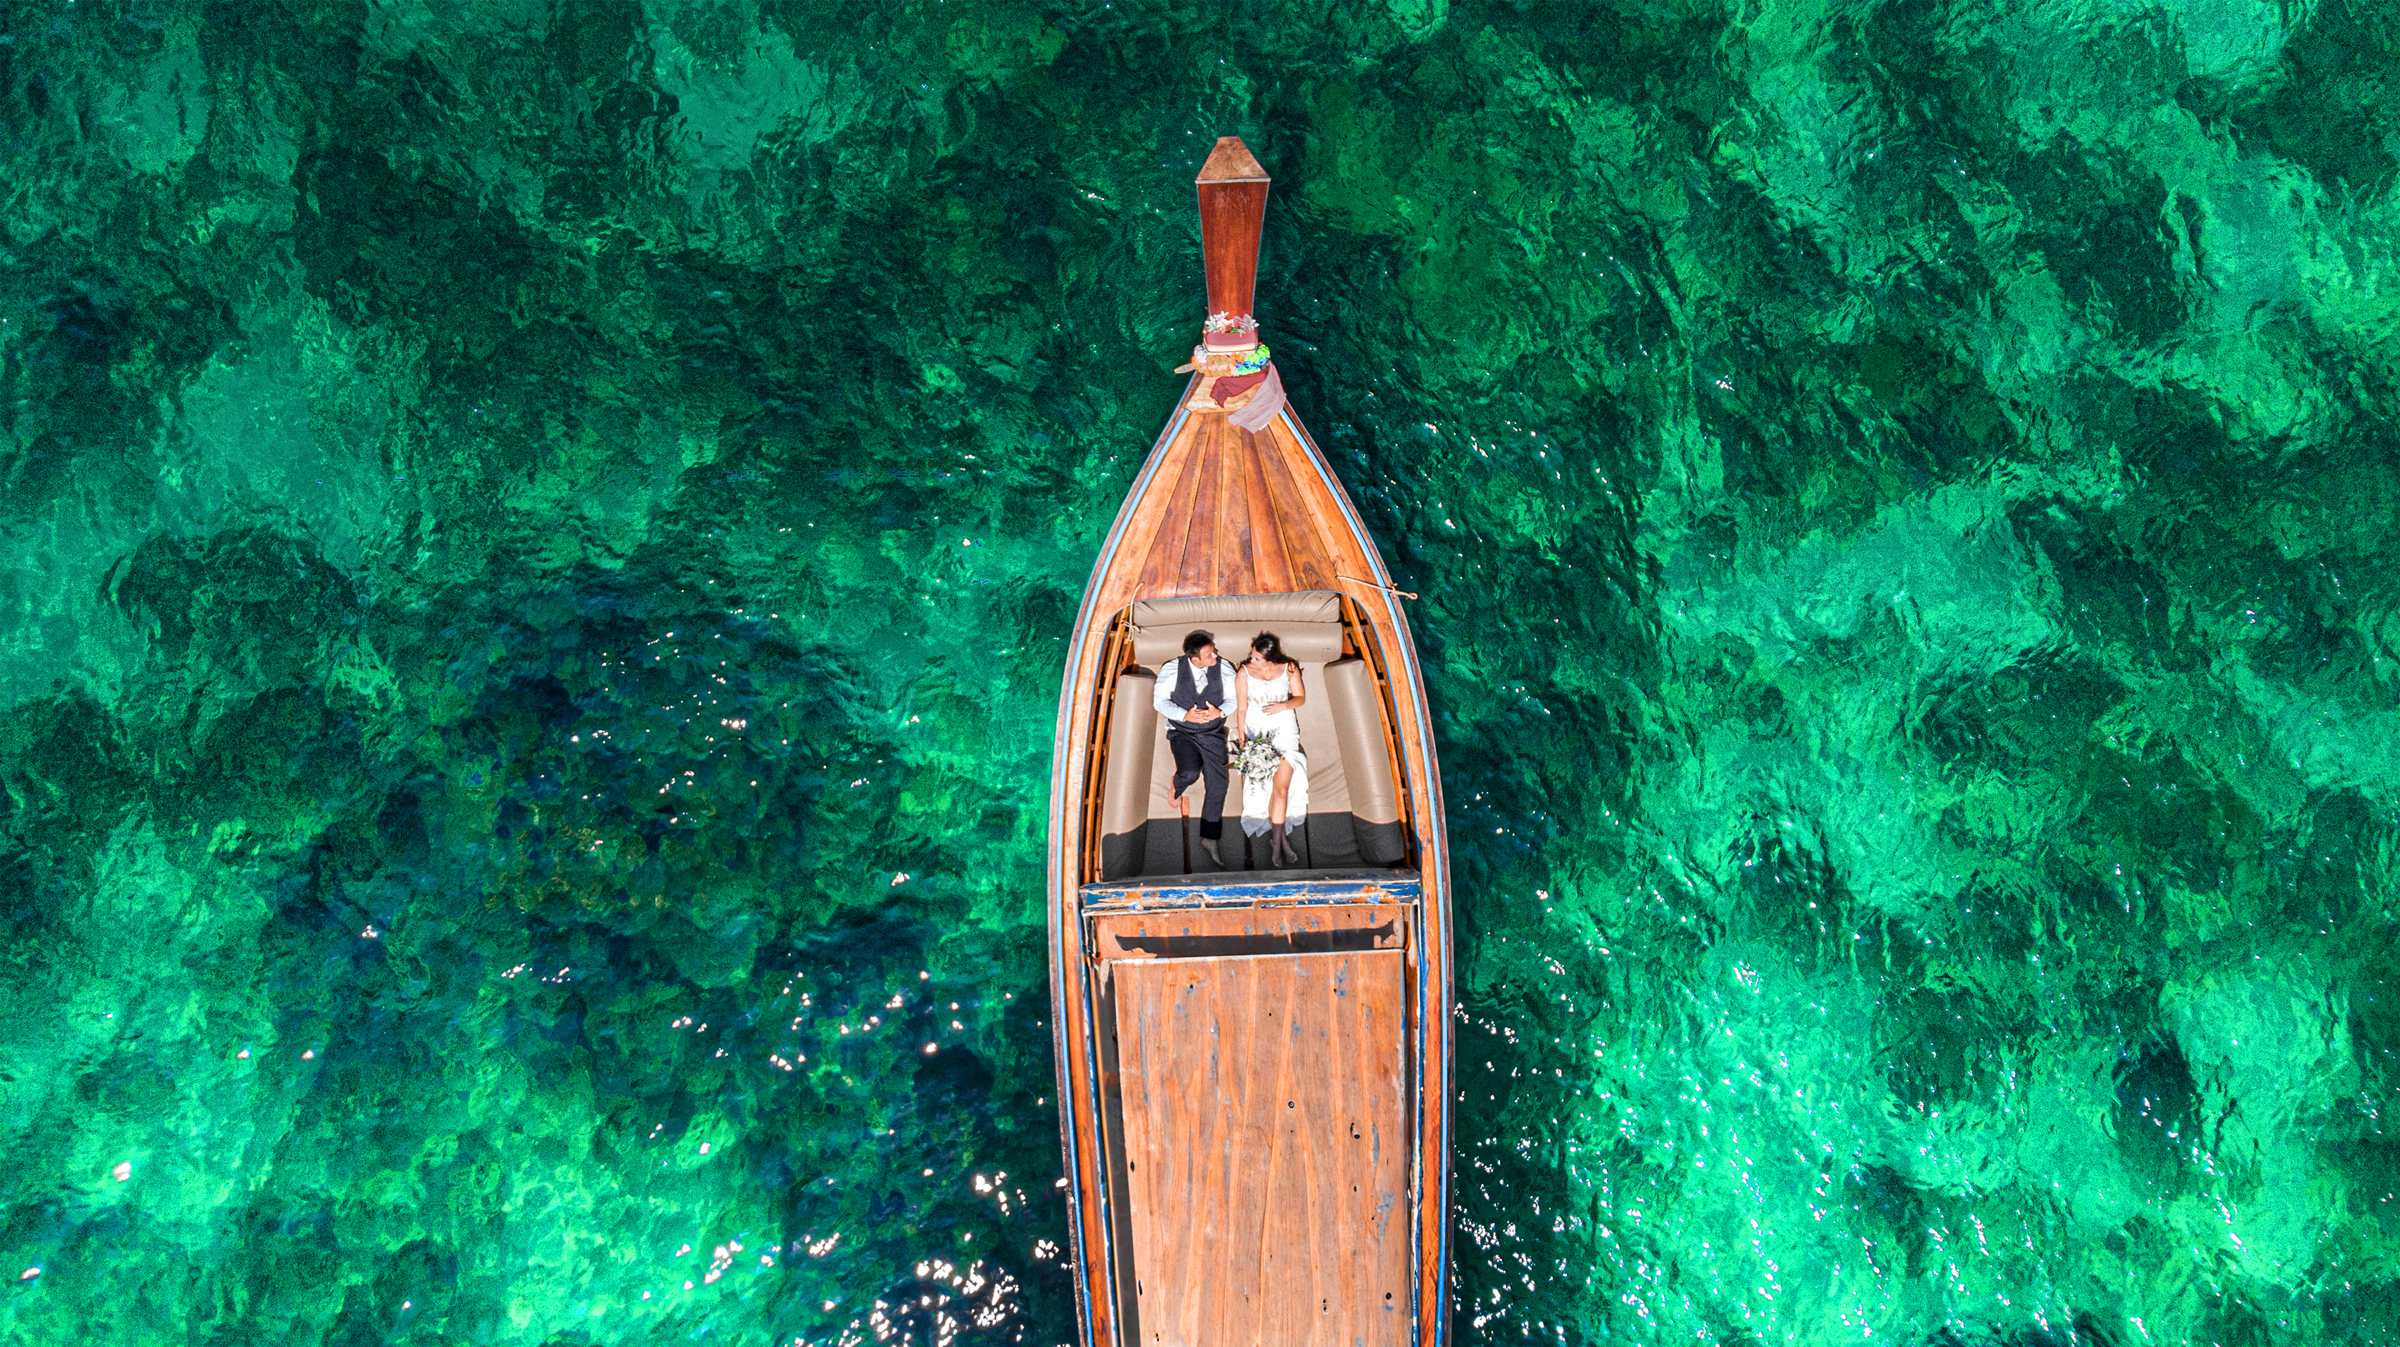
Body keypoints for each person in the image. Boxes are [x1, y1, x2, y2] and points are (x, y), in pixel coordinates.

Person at [1150, 629, 1231, 866]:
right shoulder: (1172, 669)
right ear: (1194, 659)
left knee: (1219, 784)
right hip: (1182, 731)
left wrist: (1221, 711)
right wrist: (1184, 715)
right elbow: (1159, 701)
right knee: (1189, 773)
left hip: (1213, 733)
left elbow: (1234, 697)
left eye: (1214, 650)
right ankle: (1176, 785)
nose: (1215, 656)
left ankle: (1209, 836)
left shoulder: (1224, 667)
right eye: (1210, 654)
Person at [1230, 632, 1310, 868]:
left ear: (1270, 659)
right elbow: (1242, 709)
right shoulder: (1243, 673)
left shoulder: (1289, 669)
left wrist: (1283, 706)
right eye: (1252, 655)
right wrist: (1243, 740)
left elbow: (1300, 698)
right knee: (1265, 786)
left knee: (1282, 789)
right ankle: (1281, 839)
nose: (1250, 660)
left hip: (1284, 728)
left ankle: (1276, 842)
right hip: (1257, 731)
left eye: (1256, 658)